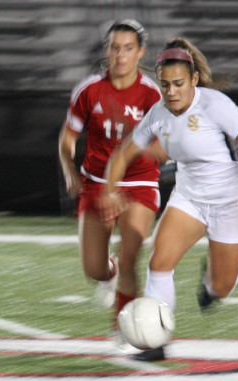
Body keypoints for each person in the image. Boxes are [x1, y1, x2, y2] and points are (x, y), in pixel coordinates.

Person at [101, 38, 238, 361]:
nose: (171, 92)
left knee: (222, 286)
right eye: (165, 84)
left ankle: (211, 283)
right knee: (159, 261)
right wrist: (110, 190)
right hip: (189, 198)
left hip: (231, 201)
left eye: (179, 84)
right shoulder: (158, 113)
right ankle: (156, 341)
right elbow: (123, 153)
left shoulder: (215, 105)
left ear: (194, 80)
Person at [58, 19, 162, 351]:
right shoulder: (88, 90)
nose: (120, 55)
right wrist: (69, 168)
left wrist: (141, 155)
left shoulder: (152, 94)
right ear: (107, 50)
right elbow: (68, 138)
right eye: (115, 48)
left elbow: (165, 146)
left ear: (140, 52)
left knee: (131, 254)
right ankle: (110, 272)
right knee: (94, 269)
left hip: (139, 182)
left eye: (128, 48)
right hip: (97, 183)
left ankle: (124, 329)